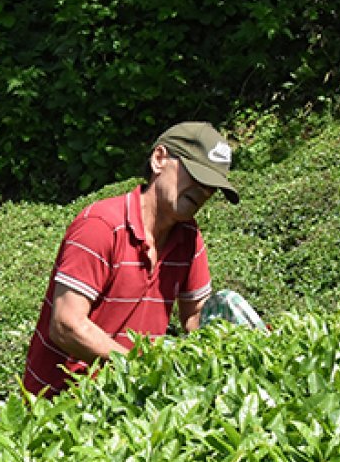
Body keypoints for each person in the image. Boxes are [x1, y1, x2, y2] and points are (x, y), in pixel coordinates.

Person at [23, 122, 241, 398]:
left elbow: (196, 316)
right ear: (159, 159)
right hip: (61, 404)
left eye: (212, 185)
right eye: (196, 175)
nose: (203, 191)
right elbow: (66, 325)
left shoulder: (188, 237)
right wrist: (141, 367)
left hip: (129, 397)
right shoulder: (101, 226)